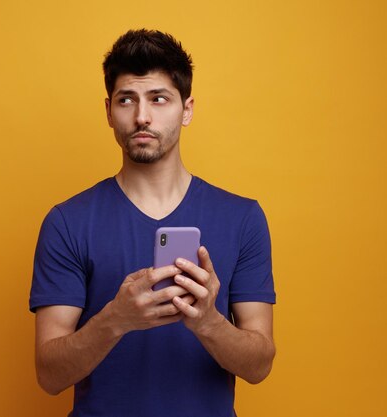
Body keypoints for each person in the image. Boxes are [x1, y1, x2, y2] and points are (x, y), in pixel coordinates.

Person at [29, 29, 276, 417]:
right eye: (127, 100)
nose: (142, 116)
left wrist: (208, 321)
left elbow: (259, 366)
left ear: (187, 109)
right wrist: (115, 319)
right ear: (109, 111)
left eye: (159, 99)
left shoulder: (243, 218)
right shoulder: (67, 222)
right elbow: (49, 376)